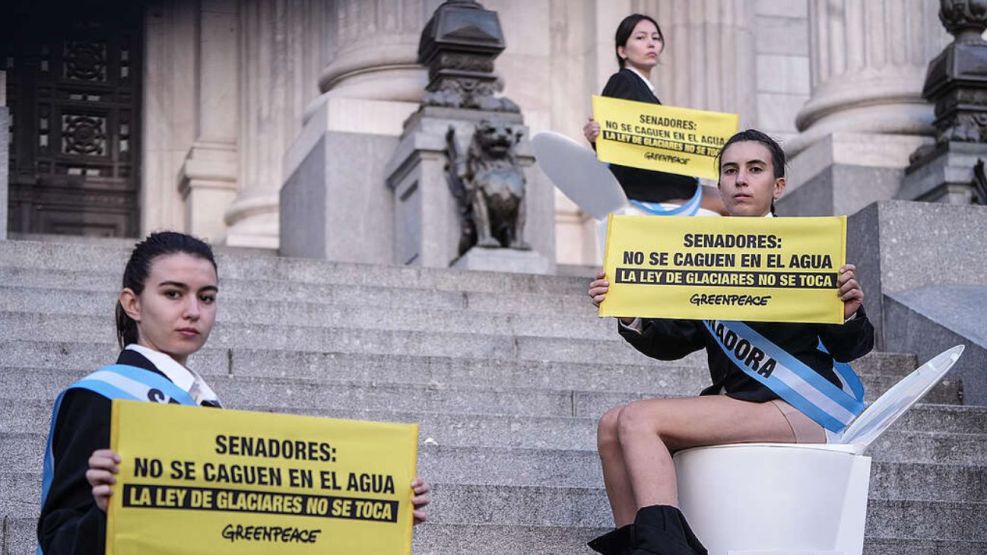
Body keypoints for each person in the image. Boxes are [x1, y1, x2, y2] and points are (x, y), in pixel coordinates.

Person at [36, 232, 431, 554]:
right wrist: (106, 513)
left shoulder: (205, 403)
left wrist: (377, 513)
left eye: (206, 297)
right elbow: (59, 543)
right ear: (133, 303)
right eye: (173, 294)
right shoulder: (100, 397)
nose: (193, 311)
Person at [585, 130, 874, 555]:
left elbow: (852, 348)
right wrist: (629, 312)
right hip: (741, 404)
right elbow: (675, 339)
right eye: (730, 170)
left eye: (755, 169)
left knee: (638, 419)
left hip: (803, 406)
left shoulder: (810, 250)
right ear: (719, 183)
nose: (741, 179)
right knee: (611, 425)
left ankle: (663, 549)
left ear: (777, 186)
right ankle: (637, 546)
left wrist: (848, 312)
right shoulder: (702, 255)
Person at [583, 14, 726, 217]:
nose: (651, 43)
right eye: (640, 38)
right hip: (649, 187)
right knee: (732, 203)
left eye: (656, 38)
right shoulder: (624, 81)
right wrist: (597, 136)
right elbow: (615, 136)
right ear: (622, 51)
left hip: (659, 184)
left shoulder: (641, 88)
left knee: (734, 200)